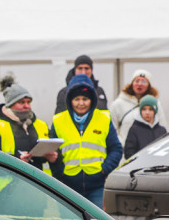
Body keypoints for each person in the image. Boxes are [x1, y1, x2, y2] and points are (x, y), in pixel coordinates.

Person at [47, 74, 122, 208]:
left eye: (85, 99)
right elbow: (52, 152)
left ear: (91, 100)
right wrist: (61, 173)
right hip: (68, 186)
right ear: (70, 100)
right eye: (77, 99)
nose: (81, 103)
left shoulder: (103, 118)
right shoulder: (58, 120)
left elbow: (116, 148)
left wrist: (104, 170)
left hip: (97, 186)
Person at [0, 76, 50, 172]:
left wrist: (52, 158)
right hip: (5, 186)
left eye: (29, 102)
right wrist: (17, 160)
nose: (27, 106)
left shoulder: (41, 125)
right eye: (21, 102)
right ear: (10, 104)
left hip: (37, 185)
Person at [109, 69, 167, 141]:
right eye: (137, 81)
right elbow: (112, 129)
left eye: (144, 81)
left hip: (149, 148)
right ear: (131, 83)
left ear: (149, 85)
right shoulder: (118, 104)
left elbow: (162, 126)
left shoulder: (156, 104)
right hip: (124, 150)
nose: (139, 84)